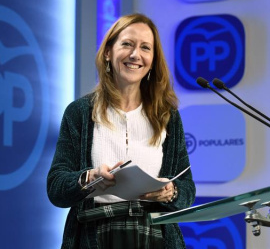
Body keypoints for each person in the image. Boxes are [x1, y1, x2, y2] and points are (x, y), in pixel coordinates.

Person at [47, 13, 196, 249]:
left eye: (145, 48)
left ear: (153, 60)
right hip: (93, 236)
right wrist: (89, 178)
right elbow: (56, 188)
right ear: (108, 52)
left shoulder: (167, 115)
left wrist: (170, 191)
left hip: (155, 236)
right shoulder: (79, 112)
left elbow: (187, 188)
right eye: (127, 44)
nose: (136, 54)